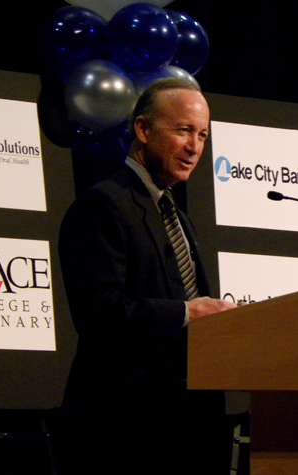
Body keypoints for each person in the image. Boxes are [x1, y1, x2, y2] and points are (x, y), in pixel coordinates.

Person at [57, 77, 237, 474]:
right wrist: (187, 313)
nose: (194, 147)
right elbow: (97, 311)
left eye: (202, 135)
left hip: (186, 423)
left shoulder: (177, 216)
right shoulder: (102, 205)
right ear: (143, 129)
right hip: (124, 426)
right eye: (183, 130)